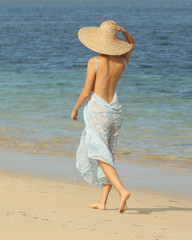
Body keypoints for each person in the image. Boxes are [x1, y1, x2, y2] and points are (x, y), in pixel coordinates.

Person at [71, 20, 135, 213]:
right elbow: (131, 44)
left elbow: (85, 92)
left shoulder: (95, 62)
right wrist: (124, 31)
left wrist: (75, 109)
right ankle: (102, 201)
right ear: (115, 41)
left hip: (97, 111)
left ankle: (122, 191)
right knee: (107, 154)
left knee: (100, 155)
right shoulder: (122, 61)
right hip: (114, 110)